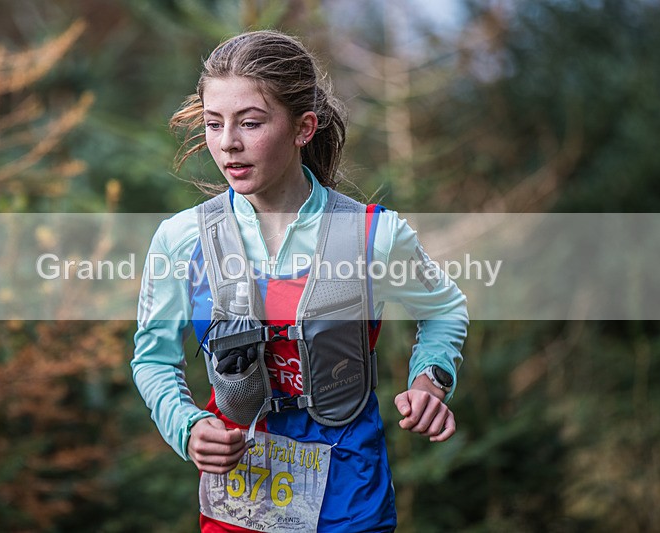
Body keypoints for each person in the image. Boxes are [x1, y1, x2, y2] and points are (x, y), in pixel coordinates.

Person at [132, 30, 468, 533]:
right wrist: (188, 426)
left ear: (303, 127)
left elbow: (443, 310)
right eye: (213, 123)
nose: (228, 143)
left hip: (350, 497)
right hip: (237, 501)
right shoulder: (182, 239)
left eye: (250, 122)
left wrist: (430, 380)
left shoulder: (374, 234)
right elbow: (153, 358)